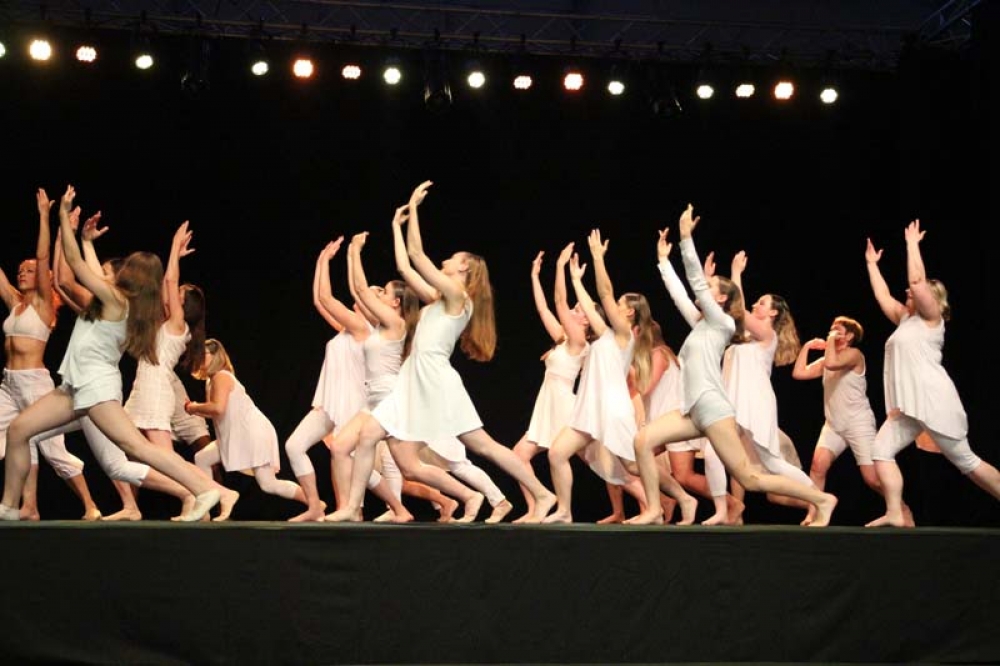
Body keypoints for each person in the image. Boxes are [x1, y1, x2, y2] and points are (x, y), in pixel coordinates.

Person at [324, 180, 557, 523]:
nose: (447, 259)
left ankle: (540, 493)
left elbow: (418, 256)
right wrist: (395, 227)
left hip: (435, 379)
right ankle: (350, 507)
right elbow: (406, 268)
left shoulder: (458, 297)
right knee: (372, 434)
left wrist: (415, 209)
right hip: (413, 379)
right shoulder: (438, 299)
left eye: (453, 258)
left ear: (464, 268)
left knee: (482, 445)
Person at [0, 185, 219, 522]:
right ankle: (9, 507)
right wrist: (86, 240)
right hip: (76, 387)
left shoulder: (117, 301)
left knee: (136, 448)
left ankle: (203, 488)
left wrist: (63, 217)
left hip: (96, 389)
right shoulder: (113, 300)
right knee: (18, 430)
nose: (117, 268)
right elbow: (87, 269)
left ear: (133, 276)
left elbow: (76, 266)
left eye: (125, 266)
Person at [629, 204, 838, 526]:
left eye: (711, 289)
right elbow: (680, 295)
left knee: (751, 478)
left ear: (721, 300)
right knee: (642, 441)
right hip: (693, 410)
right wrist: (663, 261)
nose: (704, 289)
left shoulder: (722, 323)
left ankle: (821, 499)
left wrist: (686, 239)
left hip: (712, 409)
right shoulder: (701, 324)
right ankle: (655, 509)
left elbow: (696, 282)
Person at [544, 230, 696, 524]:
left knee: (635, 465)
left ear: (629, 313)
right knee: (557, 453)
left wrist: (598, 259)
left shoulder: (625, 335)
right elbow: (592, 304)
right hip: (589, 409)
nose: (615, 305)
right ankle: (564, 509)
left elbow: (604, 293)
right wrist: (575, 280)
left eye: (621, 304)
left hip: (614, 409)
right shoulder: (605, 334)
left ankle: (682, 497)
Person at [864, 220, 1000, 527]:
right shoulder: (906, 319)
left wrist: (912, 244)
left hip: (934, 399)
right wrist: (872, 265)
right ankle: (895, 512)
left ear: (932, 298)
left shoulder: (931, 318)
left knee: (967, 461)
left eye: (915, 293)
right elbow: (883, 296)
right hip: (910, 404)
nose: (907, 292)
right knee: (881, 451)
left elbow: (916, 281)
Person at [122, 221, 240, 520]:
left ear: (183, 306)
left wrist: (174, 248)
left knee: (164, 458)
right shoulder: (167, 323)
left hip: (155, 389)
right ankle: (183, 501)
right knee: (131, 451)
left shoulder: (177, 324)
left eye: (178, 294)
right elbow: (166, 286)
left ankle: (215, 492)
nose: (171, 294)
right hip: (144, 387)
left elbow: (170, 279)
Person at [0, 187, 102, 521]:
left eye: (28, 270)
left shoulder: (44, 305)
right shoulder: (15, 304)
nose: (22, 272)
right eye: (20, 270)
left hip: (34, 382)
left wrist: (45, 216)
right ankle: (28, 506)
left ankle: (90, 505)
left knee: (53, 450)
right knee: (17, 440)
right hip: (8, 382)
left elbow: (43, 257)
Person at [283, 238, 370, 520]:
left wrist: (327, 262)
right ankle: (314, 506)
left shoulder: (363, 327)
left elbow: (328, 298)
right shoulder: (347, 328)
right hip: (330, 402)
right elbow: (320, 301)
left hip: (352, 402)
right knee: (294, 446)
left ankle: (353, 512)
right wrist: (322, 260)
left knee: (347, 460)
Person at [510, 246, 591, 522]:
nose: (572, 311)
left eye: (577, 310)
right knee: (519, 455)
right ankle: (536, 508)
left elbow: (558, 301)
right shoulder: (563, 339)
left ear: (586, 320)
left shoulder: (579, 341)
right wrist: (534, 276)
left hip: (565, 407)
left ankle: (654, 501)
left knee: (606, 466)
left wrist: (559, 267)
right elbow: (544, 308)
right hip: (549, 405)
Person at [186, 338, 310, 518]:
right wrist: (195, 409)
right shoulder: (211, 381)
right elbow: (216, 412)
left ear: (215, 355)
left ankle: (313, 503)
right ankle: (209, 509)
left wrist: (194, 407)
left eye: (202, 354)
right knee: (202, 458)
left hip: (250, 433)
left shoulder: (221, 376)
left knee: (268, 484)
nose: (198, 358)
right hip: (236, 435)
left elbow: (218, 408)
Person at [791, 315, 897, 525]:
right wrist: (808, 346)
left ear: (849, 336)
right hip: (833, 425)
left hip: (858, 423)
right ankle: (813, 513)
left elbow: (832, 363)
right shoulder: (828, 359)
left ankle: (900, 508)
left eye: (837, 330)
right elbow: (799, 373)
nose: (831, 332)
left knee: (872, 479)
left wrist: (830, 341)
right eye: (831, 329)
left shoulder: (854, 355)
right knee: (817, 466)